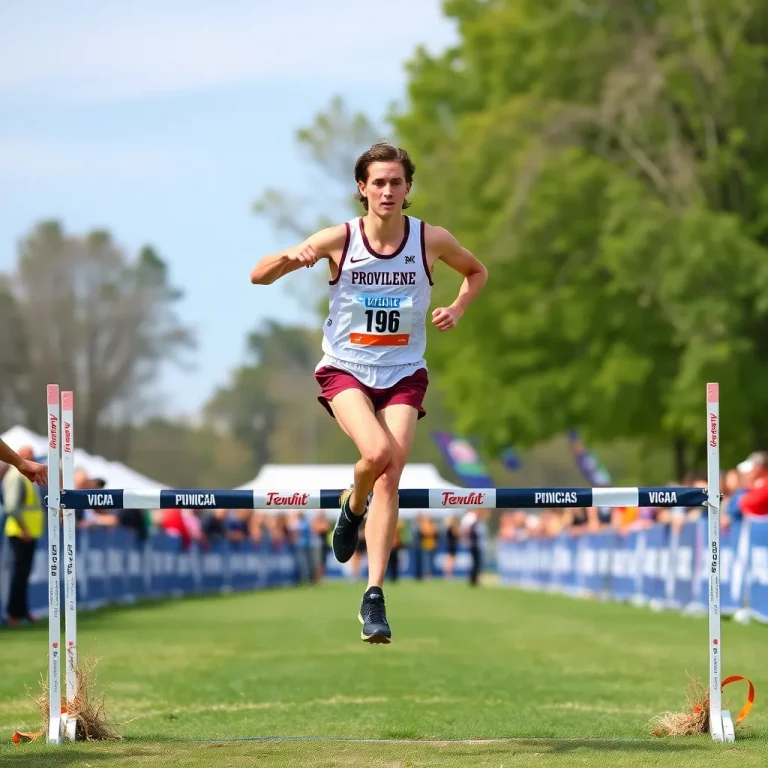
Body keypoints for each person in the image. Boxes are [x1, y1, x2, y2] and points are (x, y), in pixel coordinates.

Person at [250, 141, 488, 643]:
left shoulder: (431, 240)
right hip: (347, 369)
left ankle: (373, 595)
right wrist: (292, 257)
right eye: (377, 182)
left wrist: (458, 309)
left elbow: (476, 271)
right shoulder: (340, 238)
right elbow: (259, 276)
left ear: (407, 189)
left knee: (391, 472)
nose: (386, 190)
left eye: (395, 182)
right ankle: (352, 505)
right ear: (362, 188)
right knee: (378, 453)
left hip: (403, 371)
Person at [2, 446, 46, 625]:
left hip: (27, 531)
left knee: (24, 574)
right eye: (31, 455)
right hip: (20, 532)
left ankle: (22, 611)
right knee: (19, 575)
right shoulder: (15, 476)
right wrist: (24, 529)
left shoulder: (22, 475)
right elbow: (11, 507)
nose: (34, 458)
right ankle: (14, 614)